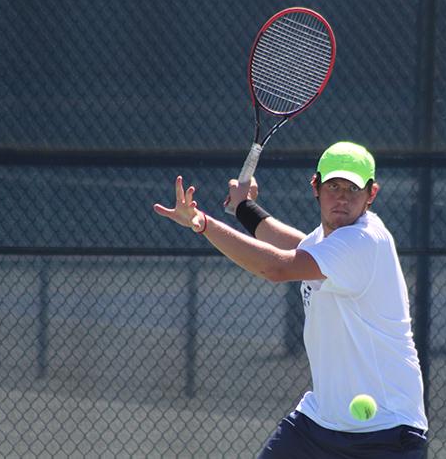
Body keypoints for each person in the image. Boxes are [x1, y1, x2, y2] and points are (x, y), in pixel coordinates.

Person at [154, 141, 428, 458]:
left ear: (371, 195)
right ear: (316, 186)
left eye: (353, 189)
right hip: (318, 424)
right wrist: (243, 207)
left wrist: (203, 223)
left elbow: (277, 266)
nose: (341, 197)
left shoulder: (365, 240)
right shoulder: (329, 241)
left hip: (386, 433)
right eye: (334, 185)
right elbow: (294, 244)